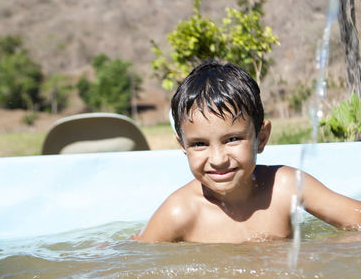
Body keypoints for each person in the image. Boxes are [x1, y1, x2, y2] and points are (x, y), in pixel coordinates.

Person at [133, 60, 361, 243]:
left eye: (232, 139)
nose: (218, 159)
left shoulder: (286, 187)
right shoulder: (180, 212)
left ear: (261, 138)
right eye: (199, 144)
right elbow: (134, 258)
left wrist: (325, 252)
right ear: (183, 146)